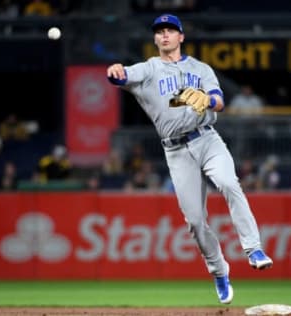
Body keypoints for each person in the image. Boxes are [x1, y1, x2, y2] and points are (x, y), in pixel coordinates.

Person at [106, 14, 272, 304]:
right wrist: (115, 70)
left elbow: (220, 100)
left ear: (181, 36)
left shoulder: (201, 68)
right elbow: (120, 76)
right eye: (160, 32)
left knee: (229, 183)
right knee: (195, 221)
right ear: (155, 39)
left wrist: (207, 100)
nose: (165, 35)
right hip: (176, 151)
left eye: (171, 30)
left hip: (206, 138)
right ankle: (219, 270)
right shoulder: (148, 69)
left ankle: (254, 249)